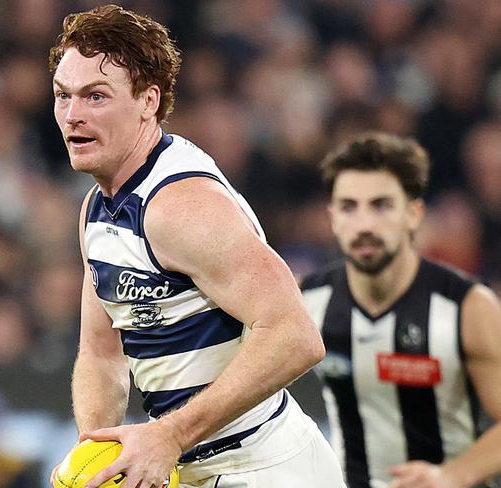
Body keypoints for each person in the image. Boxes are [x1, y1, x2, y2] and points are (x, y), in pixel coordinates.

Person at [47, 4, 345, 488]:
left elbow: (296, 336)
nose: (73, 115)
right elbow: (102, 354)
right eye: (64, 96)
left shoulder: (180, 206)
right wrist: (96, 455)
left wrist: (168, 435)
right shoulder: (97, 208)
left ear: (148, 100)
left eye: (95, 96)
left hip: (266, 469)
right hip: (195, 469)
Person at [300, 132, 501, 488]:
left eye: (381, 205)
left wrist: (452, 475)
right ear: (332, 217)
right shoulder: (306, 302)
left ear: (414, 214)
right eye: (349, 206)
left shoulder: (468, 307)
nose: (364, 225)